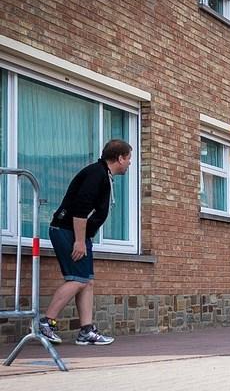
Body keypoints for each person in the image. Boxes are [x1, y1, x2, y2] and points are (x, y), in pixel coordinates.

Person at [39, 139, 132, 346]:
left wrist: (84, 238)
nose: (129, 163)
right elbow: (80, 209)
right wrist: (79, 242)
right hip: (66, 231)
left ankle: (86, 331)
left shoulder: (103, 174)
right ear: (119, 158)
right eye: (129, 159)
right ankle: (46, 323)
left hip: (78, 234)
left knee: (87, 280)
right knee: (78, 279)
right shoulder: (96, 174)